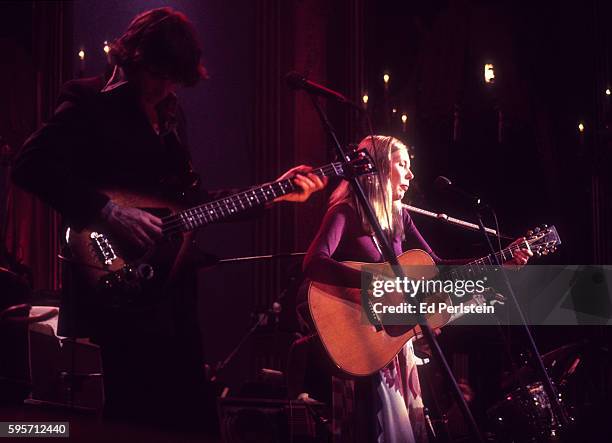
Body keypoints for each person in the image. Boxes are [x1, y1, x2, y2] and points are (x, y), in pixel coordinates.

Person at [11, 7, 326, 429]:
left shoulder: (172, 115)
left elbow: (193, 204)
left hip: (173, 292)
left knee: (194, 418)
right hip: (118, 286)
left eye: (174, 79)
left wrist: (274, 194)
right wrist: (110, 212)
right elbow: (29, 165)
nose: (166, 88)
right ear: (135, 58)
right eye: (159, 76)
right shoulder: (87, 99)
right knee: (136, 418)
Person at [301, 135, 531, 442]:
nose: (410, 175)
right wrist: (375, 281)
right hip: (358, 342)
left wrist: (500, 264)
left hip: (393, 344)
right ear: (380, 167)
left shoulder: (400, 216)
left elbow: (438, 269)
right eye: (402, 165)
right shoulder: (345, 211)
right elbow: (313, 263)